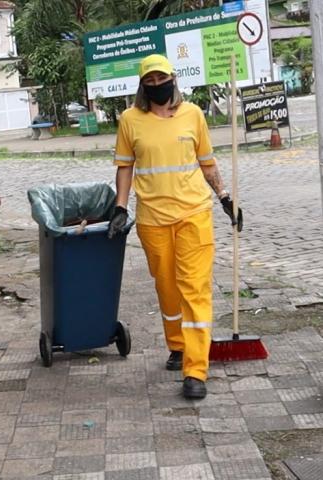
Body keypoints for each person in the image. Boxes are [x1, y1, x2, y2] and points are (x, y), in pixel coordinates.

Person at [108, 54, 242, 399]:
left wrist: (225, 197)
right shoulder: (130, 120)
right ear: (142, 85)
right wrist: (120, 207)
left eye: (161, 79)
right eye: (149, 81)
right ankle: (178, 344)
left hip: (194, 214)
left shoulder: (193, 114)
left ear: (173, 78)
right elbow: (125, 167)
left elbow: (207, 162)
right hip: (153, 220)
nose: (156, 85)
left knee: (195, 289)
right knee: (168, 289)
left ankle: (195, 370)